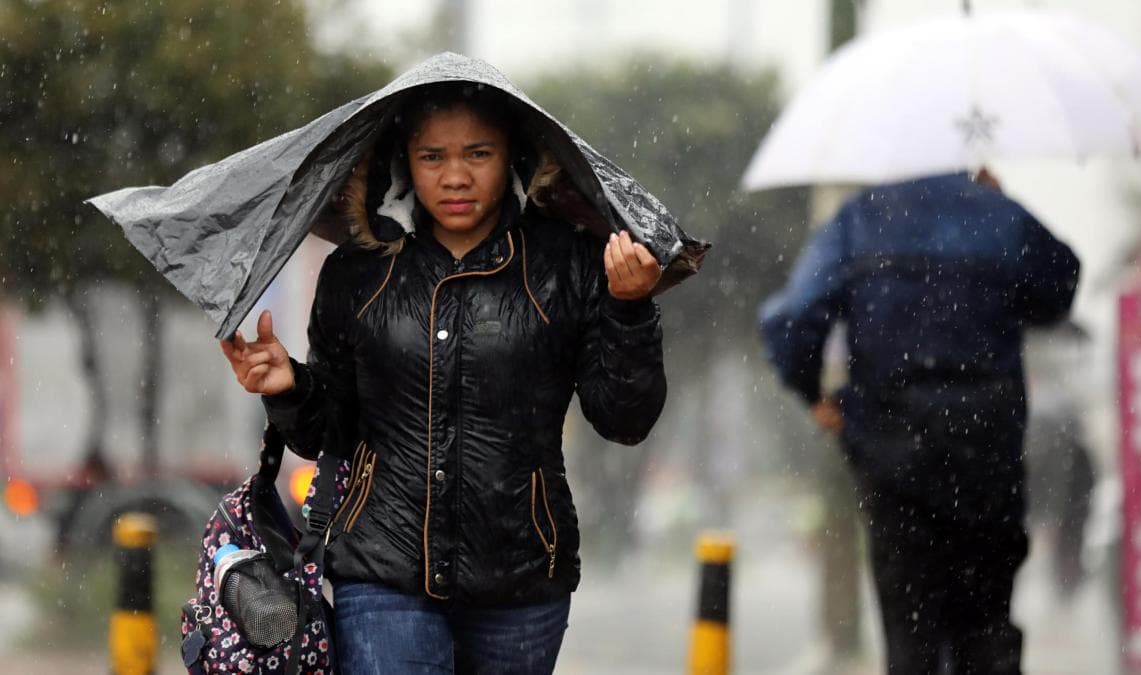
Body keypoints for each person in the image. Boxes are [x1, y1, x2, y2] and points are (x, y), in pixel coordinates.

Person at [219, 81, 668, 674]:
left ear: (511, 157)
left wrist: (630, 309)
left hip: (523, 574)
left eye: (477, 154)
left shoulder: (568, 266)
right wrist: (288, 386)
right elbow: (329, 430)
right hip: (382, 572)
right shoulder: (358, 272)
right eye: (432, 157)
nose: (454, 177)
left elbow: (624, 420)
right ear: (405, 162)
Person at [759, 169, 1079, 674]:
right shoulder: (995, 215)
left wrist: (812, 392)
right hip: (987, 454)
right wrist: (999, 207)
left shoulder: (860, 220)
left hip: (892, 458)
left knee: (910, 630)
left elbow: (793, 319)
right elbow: (1058, 291)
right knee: (986, 626)